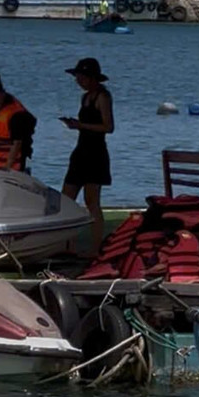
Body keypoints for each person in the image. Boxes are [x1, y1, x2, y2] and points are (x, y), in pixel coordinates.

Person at [61, 57, 114, 252]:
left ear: (91, 78)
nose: (78, 81)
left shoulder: (103, 97)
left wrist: (80, 125)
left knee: (92, 202)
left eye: (81, 77)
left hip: (96, 154)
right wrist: (76, 125)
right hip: (81, 151)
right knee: (66, 200)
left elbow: (108, 127)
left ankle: (95, 247)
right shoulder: (85, 97)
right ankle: (67, 245)